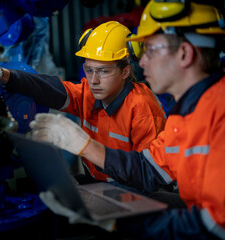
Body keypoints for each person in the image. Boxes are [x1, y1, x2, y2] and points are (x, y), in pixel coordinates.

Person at [29, 0, 225, 239]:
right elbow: (147, 169)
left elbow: (213, 227)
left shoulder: (219, 114)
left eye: (150, 50)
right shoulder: (185, 114)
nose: (141, 62)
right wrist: (85, 150)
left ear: (184, 53)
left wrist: (118, 221)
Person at [0, 21, 167, 184]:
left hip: (136, 196)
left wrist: (86, 146)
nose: (93, 80)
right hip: (100, 184)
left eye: (103, 71)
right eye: (89, 70)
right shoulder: (90, 94)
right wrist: (4, 75)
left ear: (125, 71)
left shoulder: (143, 109)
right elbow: (51, 89)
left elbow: (149, 176)